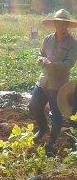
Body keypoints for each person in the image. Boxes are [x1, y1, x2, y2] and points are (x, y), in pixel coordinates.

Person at [29, 9, 77, 155]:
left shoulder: (73, 43)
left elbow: (69, 64)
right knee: (33, 107)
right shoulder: (47, 39)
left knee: (55, 114)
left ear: (67, 25)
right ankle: (43, 129)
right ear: (55, 23)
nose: (60, 25)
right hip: (44, 81)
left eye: (63, 23)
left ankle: (51, 142)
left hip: (59, 84)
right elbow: (41, 54)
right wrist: (40, 59)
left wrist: (52, 64)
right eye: (58, 22)